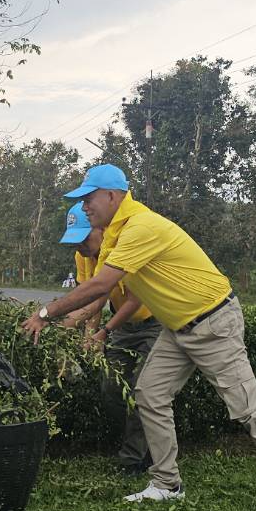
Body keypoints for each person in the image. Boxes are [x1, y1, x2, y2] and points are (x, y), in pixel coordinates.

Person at [21, 164, 256, 511]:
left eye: (88, 198)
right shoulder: (114, 235)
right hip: (177, 327)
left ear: (111, 195)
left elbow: (101, 285)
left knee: (250, 410)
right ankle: (167, 484)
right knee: (149, 393)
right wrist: (72, 324)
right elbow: (102, 292)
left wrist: (45, 313)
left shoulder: (141, 227)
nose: (85, 206)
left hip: (213, 322)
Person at [58, 201, 159, 473]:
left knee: (144, 388)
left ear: (101, 229)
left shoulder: (124, 249)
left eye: (84, 238)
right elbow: (91, 299)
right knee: (111, 388)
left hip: (154, 323)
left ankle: (135, 459)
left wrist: (104, 332)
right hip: (122, 328)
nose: (80, 246)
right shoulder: (83, 256)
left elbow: (135, 300)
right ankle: (140, 443)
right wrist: (80, 332)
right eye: (75, 240)